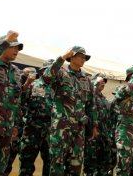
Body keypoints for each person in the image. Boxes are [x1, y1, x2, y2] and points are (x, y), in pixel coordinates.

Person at [42, 46, 98, 175]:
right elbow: (46, 77)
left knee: (76, 163)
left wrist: (94, 125)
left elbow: (91, 104)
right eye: (81, 56)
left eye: (85, 58)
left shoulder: (87, 80)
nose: (83, 59)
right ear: (71, 57)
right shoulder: (61, 73)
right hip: (61, 126)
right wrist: (62, 57)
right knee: (57, 161)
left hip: (78, 128)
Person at [0, 30, 23, 175]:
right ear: (4, 46)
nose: (17, 51)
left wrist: (15, 124)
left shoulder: (16, 72)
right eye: (13, 46)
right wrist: (6, 40)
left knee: (0, 168)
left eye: (18, 48)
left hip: (6, 129)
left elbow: (16, 100)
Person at [19, 59, 55, 176]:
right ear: (43, 70)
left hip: (50, 132)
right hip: (32, 130)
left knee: (50, 164)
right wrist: (26, 84)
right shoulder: (33, 84)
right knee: (26, 163)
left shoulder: (58, 88)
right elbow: (21, 101)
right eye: (49, 70)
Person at [112, 65, 133, 175]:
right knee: (124, 166)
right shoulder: (122, 88)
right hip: (125, 134)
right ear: (132, 76)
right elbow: (127, 90)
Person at [5, 66, 37, 175]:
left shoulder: (34, 87)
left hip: (22, 127)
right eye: (27, 74)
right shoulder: (14, 84)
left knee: (13, 155)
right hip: (9, 125)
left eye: (33, 74)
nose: (31, 76)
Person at [84, 73, 112, 176]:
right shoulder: (89, 95)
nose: (103, 83)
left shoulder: (104, 99)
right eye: (101, 81)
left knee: (103, 164)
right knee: (90, 164)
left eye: (104, 82)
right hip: (92, 134)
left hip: (103, 136)